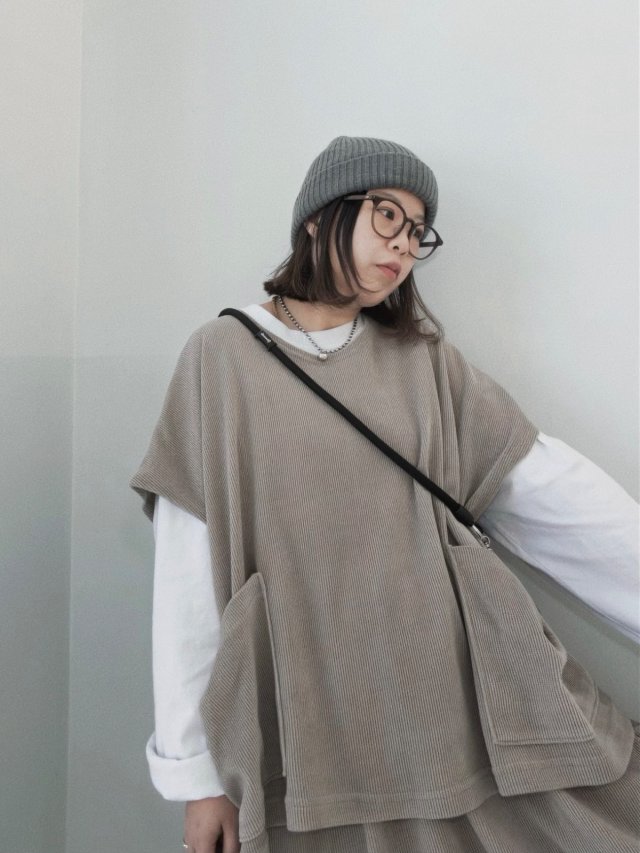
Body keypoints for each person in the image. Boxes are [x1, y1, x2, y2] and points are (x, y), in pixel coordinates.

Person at [130, 136, 640, 853]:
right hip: (307, 728)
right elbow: (187, 579)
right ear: (318, 218)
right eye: (387, 214)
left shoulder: (424, 362)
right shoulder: (220, 360)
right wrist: (197, 778)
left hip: (449, 714)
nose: (403, 243)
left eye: (418, 230)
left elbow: (553, 495)